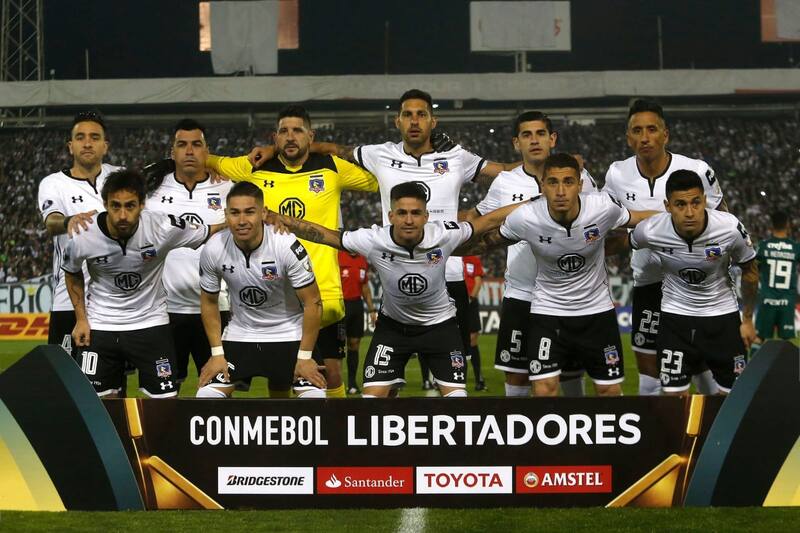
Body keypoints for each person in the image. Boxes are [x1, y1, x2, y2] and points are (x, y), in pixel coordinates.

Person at [248, 89, 518, 376]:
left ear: (433, 121)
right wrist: (275, 150)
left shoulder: (456, 156)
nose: (414, 121)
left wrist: (545, 164)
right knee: (385, 378)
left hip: (447, 275)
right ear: (397, 122)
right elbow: (331, 148)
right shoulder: (380, 154)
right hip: (394, 277)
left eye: (422, 115)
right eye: (407, 115)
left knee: (452, 375)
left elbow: (505, 172)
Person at [268, 182, 523, 398]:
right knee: (371, 400)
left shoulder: (444, 234)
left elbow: (488, 221)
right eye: (402, 213)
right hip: (393, 329)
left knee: (458, 400)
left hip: (440, 328)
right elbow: (326, 235)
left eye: (415, 213)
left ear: (426, 216)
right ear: (390, 216)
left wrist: (534, 204)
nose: (409, 220)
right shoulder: (374, 239)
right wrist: (285, 220)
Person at [204, 105, 378, 398]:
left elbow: (379, 177)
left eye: (298, 131)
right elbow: (208, 159)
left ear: (311, 136)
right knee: (280, 375)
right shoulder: (254, 166)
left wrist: (324, 148)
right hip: (277, 295)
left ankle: (332, 427)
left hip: (323, 291)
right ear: (275, 137)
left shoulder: (331, 167)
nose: (290, 136)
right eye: (283, 131)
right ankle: (283, 427)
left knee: (330, 372)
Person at [456, 153, 658, 397]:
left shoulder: (602, 207)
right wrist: (442, 250)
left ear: (580, 185)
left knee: (609, 391)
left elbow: (638, 218)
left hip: (596, 312)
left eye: (568, 182)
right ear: (542, 186)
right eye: (553, 182)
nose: (561, 191)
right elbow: (487, 243)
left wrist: (674, 219)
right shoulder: (526, 216)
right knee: (544, 390)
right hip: (548, 313)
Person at [463, 111, 596, 398]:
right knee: (517, 374)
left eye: (540, 134)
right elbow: (480, 222)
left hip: (568, 295)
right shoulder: (505, 182)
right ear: (517, 143)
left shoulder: (580, 178)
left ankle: (574, 427)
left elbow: (596, 224)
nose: (534, 140)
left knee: (571, 372)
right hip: (522, 295)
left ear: (552, 139)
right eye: (527, 135)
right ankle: (519, 429)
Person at [61, 170, 224, 398]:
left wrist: (251, 221)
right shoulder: (83, 235)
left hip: (151, 324)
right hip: (101, 325)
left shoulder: (163, 227)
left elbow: (210, 231)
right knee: (99, 405)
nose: (122, 215)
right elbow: (72, 273)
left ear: (142, 205)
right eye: (115, 206)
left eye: (130, 206)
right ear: (105, 204)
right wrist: (81, 319)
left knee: (165, 402)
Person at [603, 99, 725, 396]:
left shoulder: (696, 170)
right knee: (649, 375)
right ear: (628, 137)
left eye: (652, 129)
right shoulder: (617, 174)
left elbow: (723, 222)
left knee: (704, 370)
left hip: (696, 285)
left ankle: (715, 424)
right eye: (637, 131)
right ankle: (656, 427)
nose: (645, 137)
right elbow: (608, 223)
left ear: (665, 134)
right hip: (648, 283)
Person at [629, 170, 759, 395]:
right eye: (680, 204)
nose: (690, 212)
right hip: (675, 319)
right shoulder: (650, 230)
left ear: (705, 201)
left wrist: (747, 320)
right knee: (673, 397)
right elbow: (625, 242)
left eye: (696, 203)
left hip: (722, 318)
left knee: (732, 397)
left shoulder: (729, 228)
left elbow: (750, 270)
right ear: (667, 206)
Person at [196, 182, 326, 398]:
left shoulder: (285, 244)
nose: (242, 221)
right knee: (206, 396)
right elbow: (209, 302)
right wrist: (217, 353)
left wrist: (304, 357)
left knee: (315, 397)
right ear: (226, 215)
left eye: (249, 212)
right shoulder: (214, 247)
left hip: (289, 333)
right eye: (235, 213)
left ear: (263, 213)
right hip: (240, 334)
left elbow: (313, 302)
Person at [146, 119, 233, 388]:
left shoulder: (227, 188)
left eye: (196, 144)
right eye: (182, 145)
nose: (190, 151)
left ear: (207, 151)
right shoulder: (152, 189)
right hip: (165, 311)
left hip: (217, 307)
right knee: (165, 393)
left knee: (219, 389)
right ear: (172, 152)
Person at [37, 110, 121, 358]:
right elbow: (51, 222)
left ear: (105, 146)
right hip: (68, 300)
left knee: (113, 379)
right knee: (64, 376)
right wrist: (69, 220)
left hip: (114, 302)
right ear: (70, 146)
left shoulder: (120, 177)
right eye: (80, 137)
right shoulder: (53, 183)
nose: (87, 143)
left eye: (94, 137)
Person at [750, 211, 799, 354]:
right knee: (786, 341)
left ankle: (754, 367)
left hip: (767, 299)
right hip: (787, 301)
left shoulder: (763, 246)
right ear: (788, 225)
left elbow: (753, 269)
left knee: (759, 338)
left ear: (771, 226)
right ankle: (787, 368)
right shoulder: (795, 247)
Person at [338, 249, 377, 394]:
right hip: (341, 306)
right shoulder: (338, 256)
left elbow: (365, 287)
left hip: (356, 305)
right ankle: (336, 384)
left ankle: (352, 383)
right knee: (338, 346)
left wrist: (372, 310)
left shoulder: (362, 260)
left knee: (354, 344)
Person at [462, 255, 486, 391]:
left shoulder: (473, 259)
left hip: (470, 303)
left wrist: (471, 298)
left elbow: (478, 281)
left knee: (472, 340)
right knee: (456, 341)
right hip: (453, 304)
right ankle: (458, 378)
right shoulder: (450, 256)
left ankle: (479, 378)